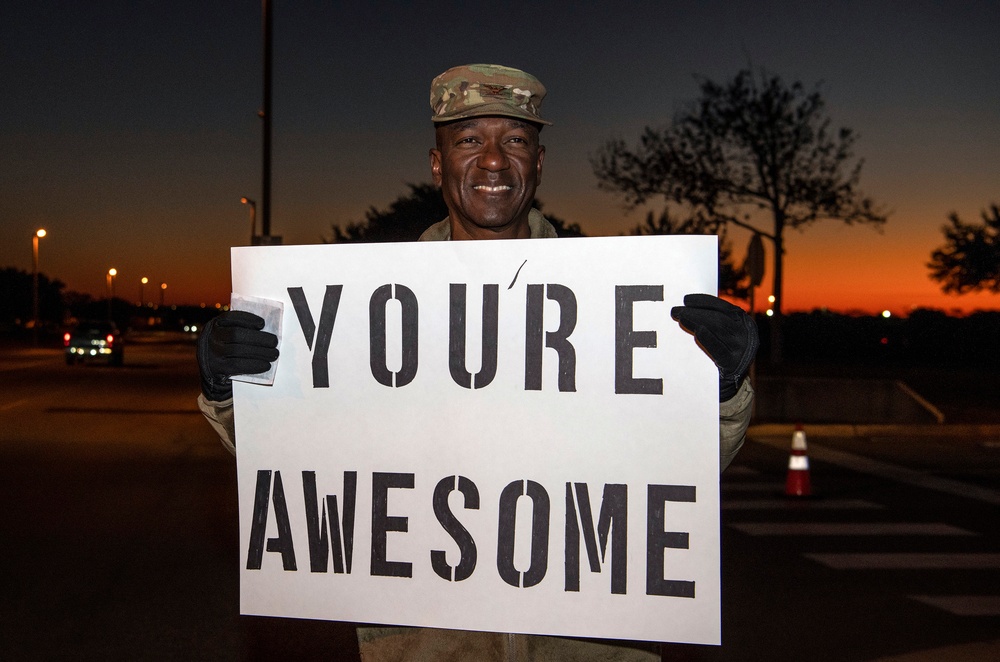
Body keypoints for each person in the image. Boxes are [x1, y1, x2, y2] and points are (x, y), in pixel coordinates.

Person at [198, 64, 758, 662]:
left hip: (585, 642)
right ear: (438, 164)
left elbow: (672, 479)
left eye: (515, 141)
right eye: (469, 140)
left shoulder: (618, 307)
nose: (494, 161)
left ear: (538, 164)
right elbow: (299, 470)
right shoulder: (364, 311)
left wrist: (722, 389)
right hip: (430, 643)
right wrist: (229, 388)